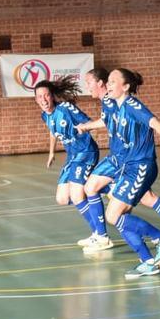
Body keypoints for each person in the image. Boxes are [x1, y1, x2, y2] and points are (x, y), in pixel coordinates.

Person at [76, 69, 160, 278]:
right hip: (127, 166)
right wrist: (87, 127)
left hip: (141, 165)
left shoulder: (132, 105)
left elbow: (152, 120)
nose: (109, 85)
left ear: (126, 86)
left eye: (113, 82)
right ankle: (148, 261)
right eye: (109, 81)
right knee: (118, 213)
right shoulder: (117, 106)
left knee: (114, 214)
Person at [34, 77, 107, 248]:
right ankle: (100, 188)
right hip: (72, 156)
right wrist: (51, 152)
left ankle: (100, 235)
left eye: (46, 95)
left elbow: (88, 121)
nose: (43, 100)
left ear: (52, 96)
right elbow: (53, 132)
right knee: (62, 198)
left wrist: (87, 127)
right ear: (36, 99)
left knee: (76, 195)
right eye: (39, 97)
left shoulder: (65, 108)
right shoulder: (45, 115)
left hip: (85, 152)